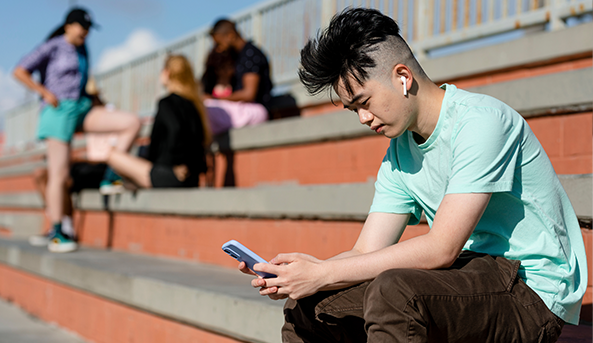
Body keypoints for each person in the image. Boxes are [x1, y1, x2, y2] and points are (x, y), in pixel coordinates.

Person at [239, 8, 587, 342]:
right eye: (353, 109)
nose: (363, 118)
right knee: (310, 307)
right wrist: (302, 275)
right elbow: (365, 251)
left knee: (395, 293)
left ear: (403, 77)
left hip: (531, 293)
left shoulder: (481, 122)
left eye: (365, 102)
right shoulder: (399, 154)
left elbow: (442, 248)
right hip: (471, 278)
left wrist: (324, 274)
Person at [13, 8, 141, 253]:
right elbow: (20, 70)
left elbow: (82, 83)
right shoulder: (52, 46)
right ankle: (58, 231)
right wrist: (44, 92)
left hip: (81, 108)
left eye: (89, 28)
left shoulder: (83, 50)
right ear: (69, 25)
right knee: (58, 174)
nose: (85, 32)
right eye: (82, 26)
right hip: (58, 110)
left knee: (130, 122)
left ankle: (110, 175)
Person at [103, 55, 211, 189]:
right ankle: (128, 183)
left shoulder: (166, 103)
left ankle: (115, 182)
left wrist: (175, 165)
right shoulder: (196, 105)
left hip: (169, 175)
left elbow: (173, 132)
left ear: (168, 72)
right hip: (191, 177)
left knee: (111, 154)